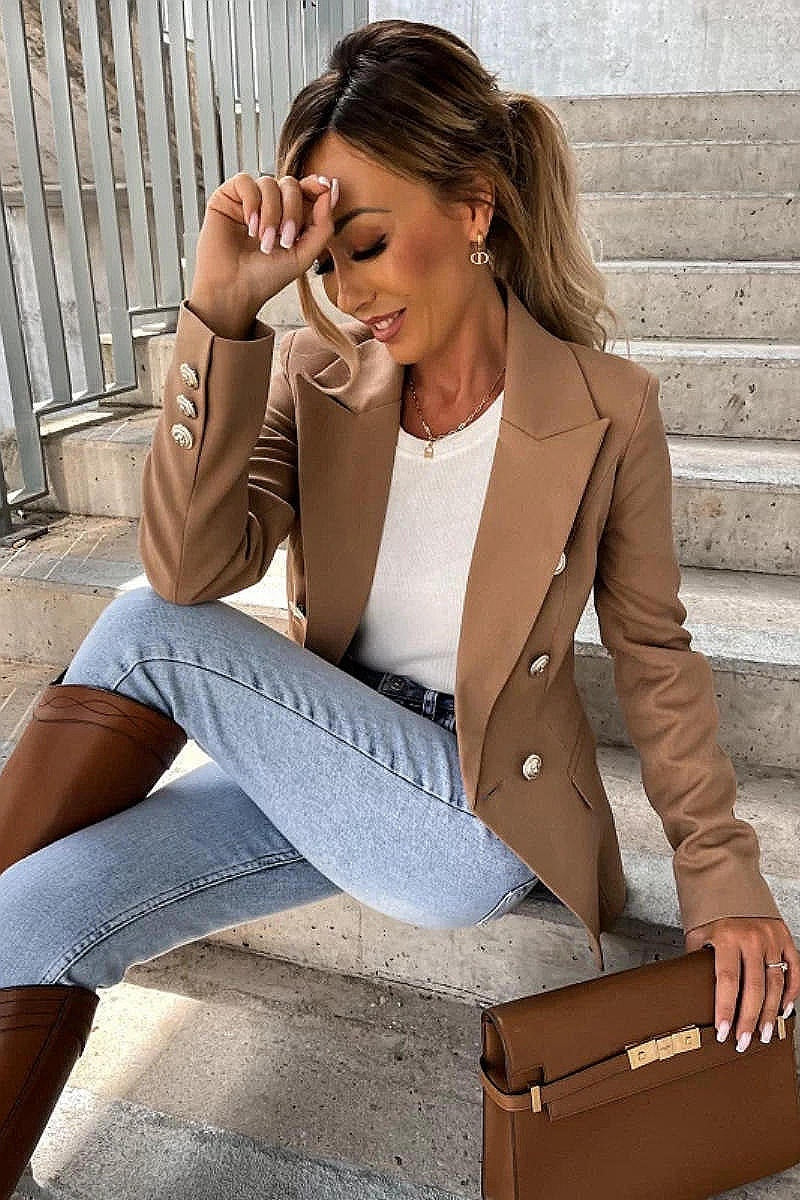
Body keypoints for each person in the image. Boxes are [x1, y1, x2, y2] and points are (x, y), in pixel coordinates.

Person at [0, 17, 796, 1196]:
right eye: (324, 264)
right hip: (326, 755)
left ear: (474, 208)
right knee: (21, 919)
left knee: (140, 629)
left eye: (365, 244)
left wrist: (718, 870)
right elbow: (189, 562)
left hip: (476, 811)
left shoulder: (605, 406)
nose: (345, 291)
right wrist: (220, 315)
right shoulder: (310, 382)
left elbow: (651, 652)